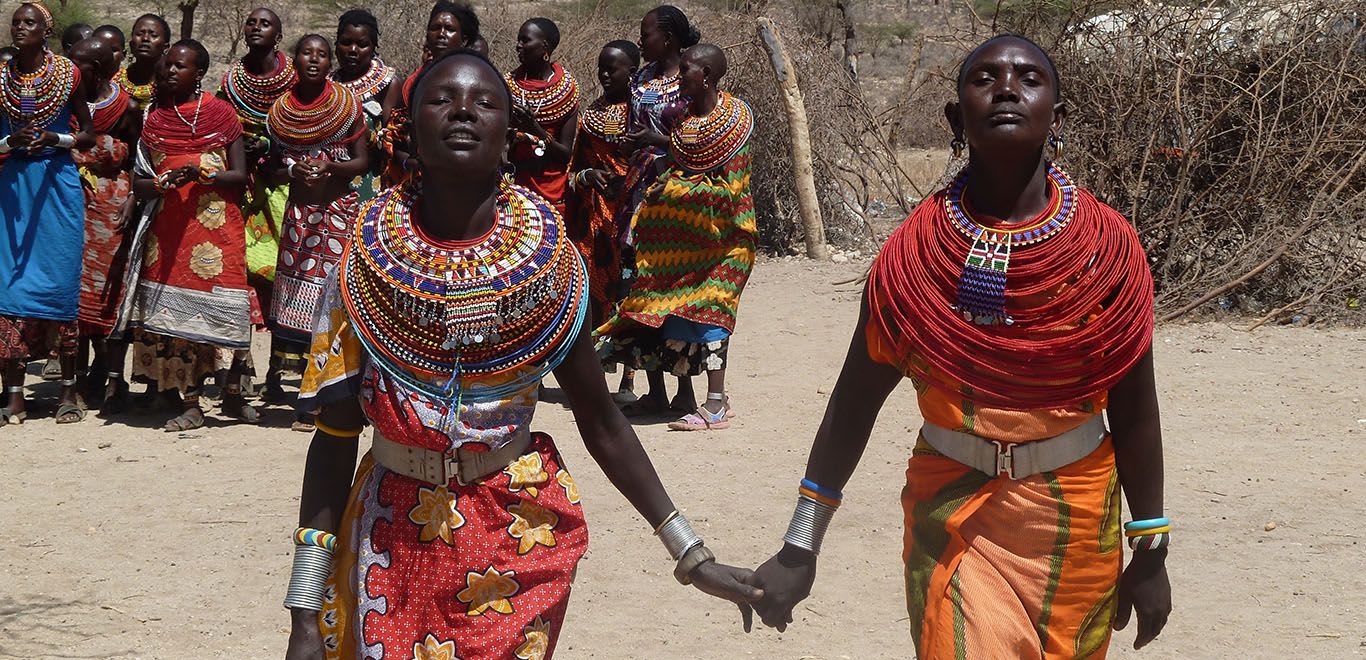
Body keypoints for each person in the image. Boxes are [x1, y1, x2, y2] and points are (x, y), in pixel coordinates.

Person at [282, 49, 761, 660]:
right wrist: (303, 615)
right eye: (441, 99)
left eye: (485, 103)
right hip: (388, 543)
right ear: (407, 128)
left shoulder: (551, 266)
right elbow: (334, 435)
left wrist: (691, 556)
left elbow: (603, 420)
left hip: (514, 537)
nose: (462, 112)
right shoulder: (362, 263)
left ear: (510, 136)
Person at [746, 35, 1172, 657]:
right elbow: (852, 405)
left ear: (1059, 114)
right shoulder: (910, 261)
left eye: (1029, 78)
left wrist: (1152, 546)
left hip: (1075, 525)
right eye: (985, 78)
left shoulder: (1107, 254)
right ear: (954, 118)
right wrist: (799, 544)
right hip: (952, 517)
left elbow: (1135, 411)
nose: (1006, 89)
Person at [597, 44, 755, 432]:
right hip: (684, 245)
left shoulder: (733, 122)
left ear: (708, 77)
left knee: (715, 310)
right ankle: (694, 397)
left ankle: (714, 403)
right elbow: (676, 169)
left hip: (726, 238)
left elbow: (731, 189)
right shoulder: (685, 124)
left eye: (686, 70)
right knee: (678, 315)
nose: (680, 77)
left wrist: (673, 195)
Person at [120, 39, 257, 431]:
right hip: (168, 233)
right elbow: (140, 184)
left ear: (198, 74)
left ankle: (233, 393)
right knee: (179, 321)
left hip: (216, 230)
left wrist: (203, 174)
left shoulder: (221, 115)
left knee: (227, 312)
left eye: (179, 66)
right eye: (166, 65)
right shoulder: (152, 119)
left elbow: (239, 176)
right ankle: (192, 403)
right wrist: (162, 182)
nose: (169, 72)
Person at [265, 34, 367, 431]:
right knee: (299, 311)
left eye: (322, 54)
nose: (314, 59)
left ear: (329, 63)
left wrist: (330, 169)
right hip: (300, 218)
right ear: (294, 59)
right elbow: (270, 166)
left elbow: (362, 161)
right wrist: (294, 170)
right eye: (307, 52)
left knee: (337, 305)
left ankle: (339, 397)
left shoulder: (345, 104)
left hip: (339, 213)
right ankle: (307, 402)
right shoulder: (280, 112)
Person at [0, 1, 95, 425]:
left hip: (57, 185)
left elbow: (88, 134)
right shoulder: (1, 78)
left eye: (30, 23)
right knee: (10, 287)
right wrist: (11, 142)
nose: (21, 29)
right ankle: (15, 395)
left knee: (59, 283)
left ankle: (68, 392)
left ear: (46, 30)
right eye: (16, 22)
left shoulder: (69, 74)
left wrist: (53, 138)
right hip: (14, 187)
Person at [609, 4, 699, 412]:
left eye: (647, 34)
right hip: (639, 189)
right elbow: (634, 125)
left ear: (669, 39)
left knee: (676, 287)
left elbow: (701, 136)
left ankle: (686, 393)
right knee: (640, 286)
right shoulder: (641, 78)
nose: (641, 40)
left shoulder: (693, 76)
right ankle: (655, 390)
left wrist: (659, 142)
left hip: (677, 191)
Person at [68, 36, 141, 414]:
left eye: (75, 62)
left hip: (111, 206)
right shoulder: (62, 103)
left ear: (94, 70)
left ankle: (113, 379)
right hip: (69, 202)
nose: (66, 67)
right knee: (75, 294)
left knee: (110, 293)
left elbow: (136, 160)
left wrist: (131, 199)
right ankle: (79, 379)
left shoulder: (126, 106)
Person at [219, 7, 295, 322]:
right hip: (242, 174)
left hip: (283, 174)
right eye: (251, 22)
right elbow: (222, 123)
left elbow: (304, 122)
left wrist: (267, 145)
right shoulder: (232, 80)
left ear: (278, 37)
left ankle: (284, 337)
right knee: (240, 254)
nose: (256, 27)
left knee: (283, 255)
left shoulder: (295, 78)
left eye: (265, 24)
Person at [567, 40, 638, 327]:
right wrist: (588, 177)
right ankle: (599, 362)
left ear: (631, 72)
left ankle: (630, 371)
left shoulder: (643, 115)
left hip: (632, 215)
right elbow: (574, 171)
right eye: (601, 69)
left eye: (612, 69)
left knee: (630, 288)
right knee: (595, 293)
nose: (604, 75)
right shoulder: (591, 116)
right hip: (595, 220)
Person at [375, 0, 478, 187]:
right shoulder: (410, 85)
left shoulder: (477, 82)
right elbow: (396, 140)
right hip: (416, 181)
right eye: (435, 28)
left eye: (449, 29)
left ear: (464, 39)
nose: (441, 34)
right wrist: (409, 162)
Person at [506, 17, 578, 218]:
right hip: (514, 186)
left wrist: (535, 130)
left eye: (525, 40)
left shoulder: (566, 90)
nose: (518, 46)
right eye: (518, 40)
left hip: (552, 189)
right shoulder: (508, 86)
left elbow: (565, 155)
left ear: (544, 45)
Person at [327, 8, 393, 202]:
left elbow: (392, 144)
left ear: (373, 47)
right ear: (336, 45)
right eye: (346, 43)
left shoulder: (388, 84)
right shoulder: (325, 85)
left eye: (362, 44)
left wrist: (367, 135)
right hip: (329, 184)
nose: (353, 50)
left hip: (371, 183)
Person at [117, 14, 168, 108]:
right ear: (131, 44)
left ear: (166, 48)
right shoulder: (115, 83)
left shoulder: (171, 86)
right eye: (139, 34)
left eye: (153, 35)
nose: (145, 39)